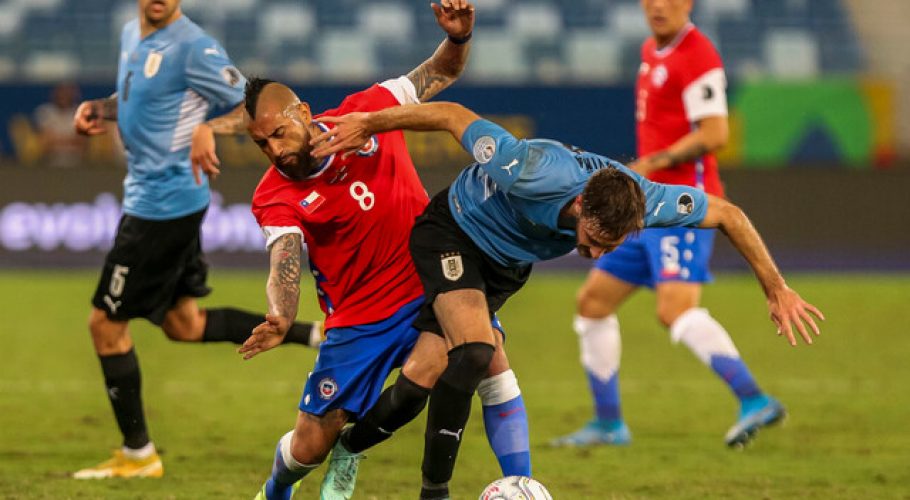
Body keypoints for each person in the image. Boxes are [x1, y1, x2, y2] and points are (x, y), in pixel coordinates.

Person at [310, 100, 825, 498]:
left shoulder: (646, 200)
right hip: (453, 232)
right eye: (592, 240)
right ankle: (436, 492)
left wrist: (776, 287)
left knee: (419, 381)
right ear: (578, 203)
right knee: (476, 353)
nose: (595, 255)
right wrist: (371, 123)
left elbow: (729, 214)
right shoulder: (530, 168)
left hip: (505, 266)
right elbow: (451, 115)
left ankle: (351, 445)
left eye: (609, 247)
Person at [229, 3, 531, 500]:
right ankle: (276, 489)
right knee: (310, 445)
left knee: (489, 357)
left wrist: (458, 38)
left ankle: (525, 484)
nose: (275, 151)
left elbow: (440, 72)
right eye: (262, 144)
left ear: (303, 113)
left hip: (432, 283)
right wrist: (281, 315)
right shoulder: (273, 194)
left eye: (279, 134)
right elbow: (284, 257)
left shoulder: (367, 110)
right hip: (359, 318)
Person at [70, 0, 320, 480]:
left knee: (105, 326)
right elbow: (140, 96)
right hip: (161, 203)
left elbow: (254, 106)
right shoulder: (132, 35)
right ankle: (313, 334)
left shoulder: (194, 47)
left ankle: (138, 455)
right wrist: (101, 109)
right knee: (183, 323)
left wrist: (208, 126)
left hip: (160, 209)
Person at [551, 0, 782, 449]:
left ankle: (754, 399)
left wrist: (656, 161)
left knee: (674, 309)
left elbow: (715, 133)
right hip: (643, 209)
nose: (659, 6)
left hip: (680, 208)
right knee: (593, 302)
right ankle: (609, 424)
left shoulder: (698, 54)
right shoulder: (651, 50)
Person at [34, 82, 87, 168]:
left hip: (76, 161)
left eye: (67, 92)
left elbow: (82, 143)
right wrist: (70, 141)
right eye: (61, 92)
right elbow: (46, 143)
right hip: (49, 161)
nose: (64, 96)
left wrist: (57, 140)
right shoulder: (45, 112)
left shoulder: (82, 113)